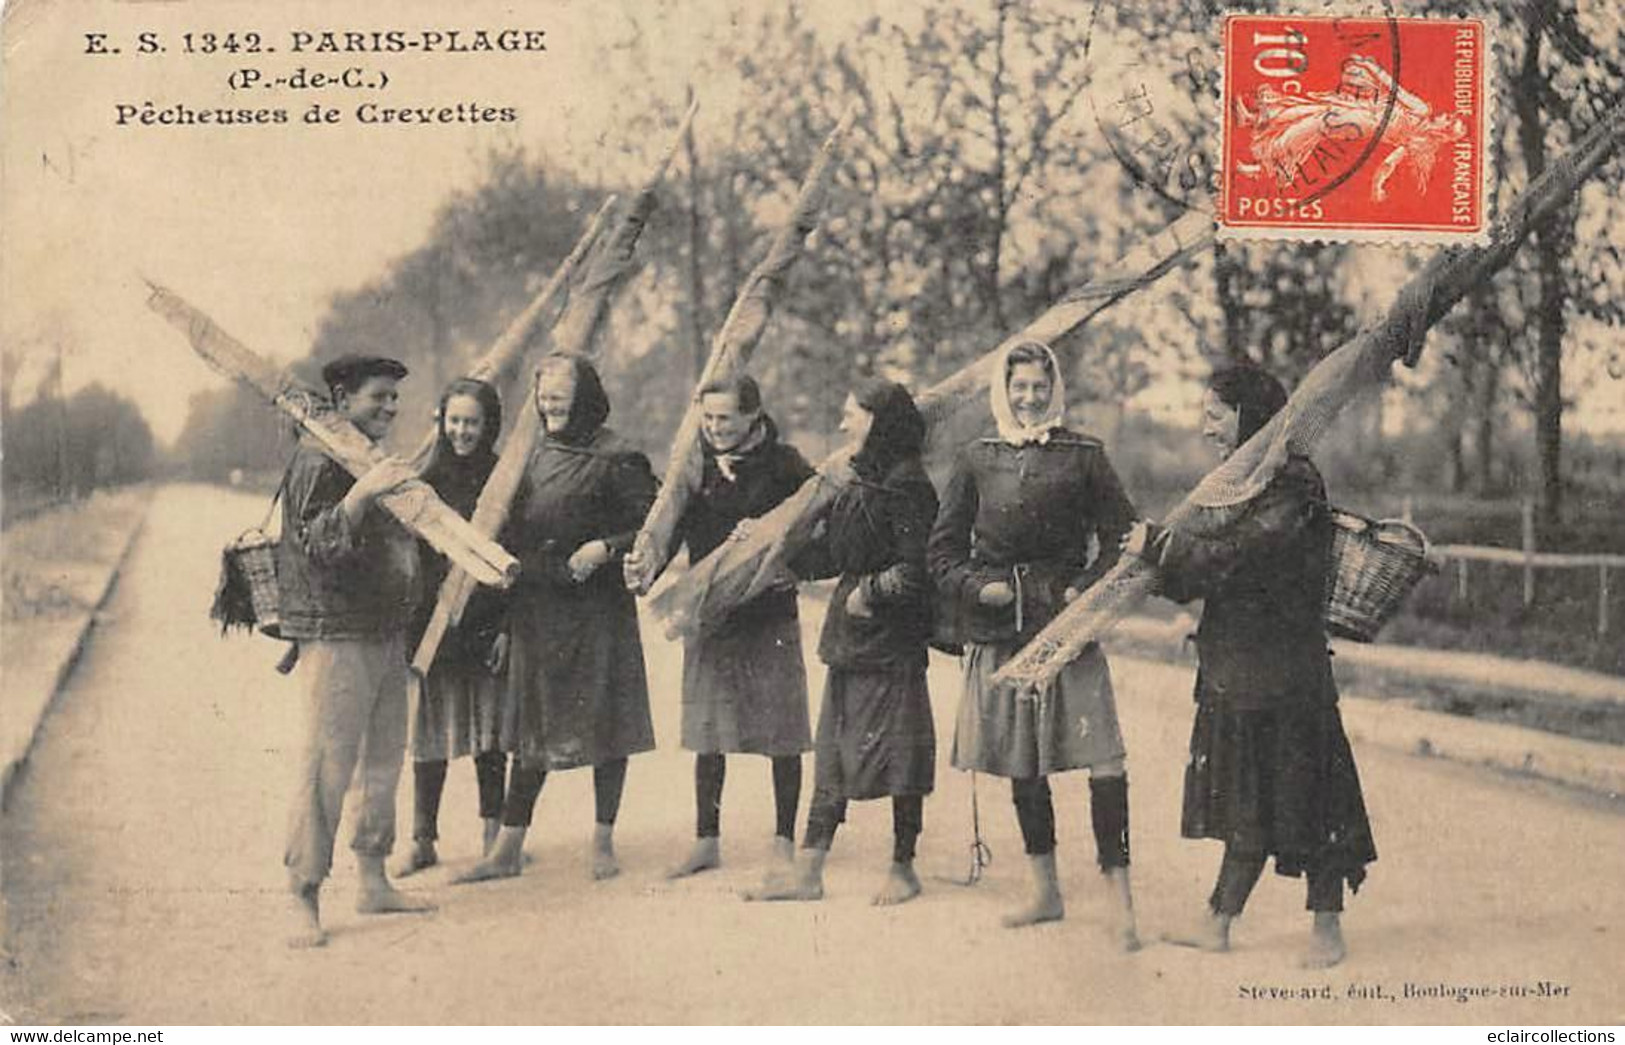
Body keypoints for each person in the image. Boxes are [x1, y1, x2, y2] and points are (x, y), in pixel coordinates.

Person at [1123, 362, 1376, 969]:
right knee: (1245, 796)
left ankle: (1327, 930)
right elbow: (1204, 570)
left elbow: (1243, 556)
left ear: (1249, 415)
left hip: (1286, 668)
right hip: (1236, 664)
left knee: (1308, 794)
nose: (1205, 426)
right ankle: (1218, 921)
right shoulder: (1238, 480)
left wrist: (1162, 547)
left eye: (1215, 413)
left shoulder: (1291, 483)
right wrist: (1169, 569)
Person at [927, 340, 1142, 947]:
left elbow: (1122, 535)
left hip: (1065, 630)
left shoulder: (1084, 456)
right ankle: (1045, 891)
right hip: (1000, 629)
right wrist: (979, 587)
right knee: (1022, 763)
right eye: (1018, 387)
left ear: (1054, 388)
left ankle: (1120, 901)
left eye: (1038, 387)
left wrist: (1084, 590)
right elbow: (941, 553)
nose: (1029, 398)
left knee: (1105, 758)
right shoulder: (977, 457)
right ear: (1004, 389)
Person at [455, 354, 658, 884]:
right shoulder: (529, 454)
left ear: (586, 395)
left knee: (606, 725)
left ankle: (603, 842)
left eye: (561, 393)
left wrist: (606, 547)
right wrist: (501, 620)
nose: (550, 402)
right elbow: (505, 532)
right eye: (544, 394)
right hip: (538, 605)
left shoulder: (620, 457)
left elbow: (654, 527)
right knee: (532, 725)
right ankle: (507, 848)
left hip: (598, 609)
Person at [746, 379, 939, 906]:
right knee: (832, 749)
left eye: (851, 414)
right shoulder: (858, 478)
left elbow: (921, 567)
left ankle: (903, 867)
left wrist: (872, 593)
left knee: (902, 753)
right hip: (850, 637)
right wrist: (785, 564)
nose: (842, 424)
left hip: (891, 638)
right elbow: (836, 552)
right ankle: (809, 869)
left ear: (879, 420)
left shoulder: (909, 485)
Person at [624, 376, 816, 879]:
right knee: (707, 732)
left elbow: (822, 527)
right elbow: (670, 530)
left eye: (724, 418)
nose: (715, 428)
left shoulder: (787, 465)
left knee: (783, 733)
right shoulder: (695, 465)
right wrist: (647, 565)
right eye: (707, 419)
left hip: (769, 616)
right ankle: (706, 841)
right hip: (709, 616)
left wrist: (785, 554)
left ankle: (782, 843)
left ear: (753, 416)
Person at [277, 353, 433, 948]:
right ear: (342, 400)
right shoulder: (318, 459)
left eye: (394, 398)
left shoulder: (369, 456)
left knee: (382, 760)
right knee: (327, 766)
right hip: (337, 634)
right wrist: (361, 496)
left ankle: (373, 879)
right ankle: (304, 897)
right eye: (378, 397)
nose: (389, 408)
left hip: (383, 630)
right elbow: (313, 545)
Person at [393, 377, 513, 877]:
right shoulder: (422, 478)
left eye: (473, 422)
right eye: (455, 421)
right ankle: (423, 839)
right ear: (441, 422)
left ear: (488, 427)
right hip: (432, 622)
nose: (462, 431)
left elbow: (515, 560)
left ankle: (493, 833)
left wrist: (507, 627)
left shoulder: (505, 479)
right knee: (430, 734)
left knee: (489, 734)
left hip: (485, 619)